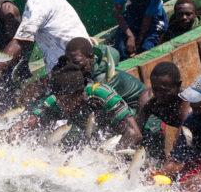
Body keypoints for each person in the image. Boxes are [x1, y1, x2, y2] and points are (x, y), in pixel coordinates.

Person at [12, 63, 143, 148]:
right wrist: (3, 139)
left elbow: (134, 134)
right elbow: (28, 123)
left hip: (127, 141)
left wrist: (109, 157)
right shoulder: (55, 100)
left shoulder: (99, 94)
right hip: (93, 141)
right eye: (60, 101)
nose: (63, 106)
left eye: (67, 101)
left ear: (80, 93)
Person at [136, 62, 191, 159]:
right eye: (155, 89)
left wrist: (172, 160)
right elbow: (137, 131)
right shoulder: (148, 100)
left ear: (178, 85)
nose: (159, 95)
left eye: (165, 90)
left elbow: (183, 133)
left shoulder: (185, 99)